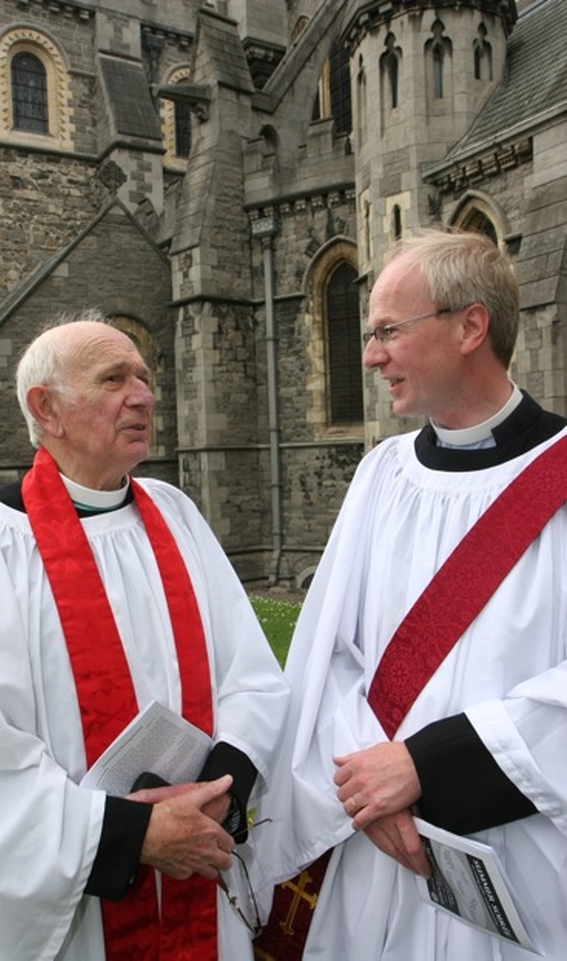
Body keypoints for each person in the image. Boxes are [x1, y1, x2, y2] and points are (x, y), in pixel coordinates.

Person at [0, 310, 289, 961]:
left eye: (146, 378)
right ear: (48, 408)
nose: (145, 395)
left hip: (196, 877)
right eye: (115, 378)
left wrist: (218, 788)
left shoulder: (176, 515)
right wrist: (133, 833)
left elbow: (251, 676)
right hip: (84, 911)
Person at [253, 228, 567, 960]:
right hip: (380, 855)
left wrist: (429, 767)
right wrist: (370, 785)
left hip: (520, 856)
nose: (369, 354)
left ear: (470, 326)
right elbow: (326, 652)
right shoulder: (383, 474)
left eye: (389, 330)